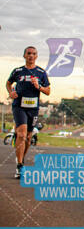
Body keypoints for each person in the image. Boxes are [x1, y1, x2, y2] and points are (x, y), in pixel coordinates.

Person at [6, 46, 51, 178]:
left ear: (36, 56)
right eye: (29, 53)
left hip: (33, 108)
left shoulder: (41, 72)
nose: (31, 56)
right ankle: (19, 166)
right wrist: (11, 92)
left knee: (28, 137)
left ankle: (21, 159)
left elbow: (48, 91)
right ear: (24, 55)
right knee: (21, 134)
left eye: (34, 54)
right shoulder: (18, 71)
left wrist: (39, 87)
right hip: (19, 106)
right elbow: (8, 83)